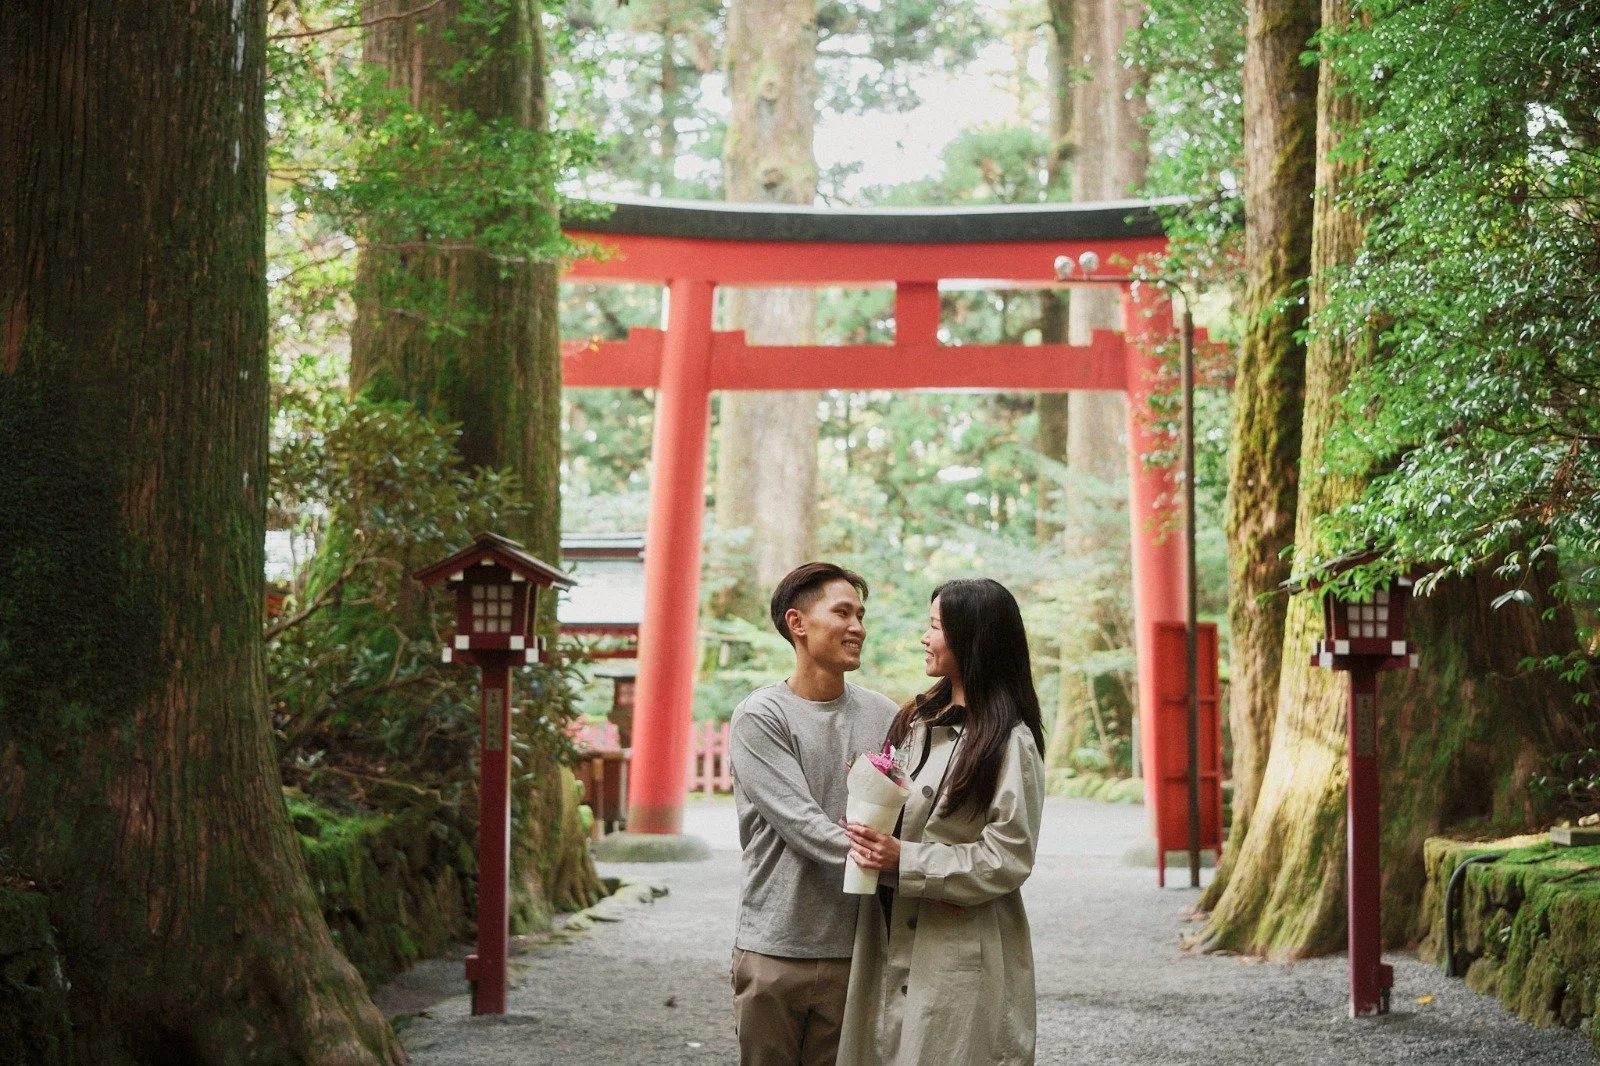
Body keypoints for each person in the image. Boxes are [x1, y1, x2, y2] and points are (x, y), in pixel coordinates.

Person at [838, 578, 1047, 1066]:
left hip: (958, 949)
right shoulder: (915, 721)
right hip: (889, 932)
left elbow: (1009, 856)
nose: (924, 638)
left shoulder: (1010, 741)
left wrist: (905, 859)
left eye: (935, 627)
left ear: (972, 639)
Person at [729, 562, 902, 1066]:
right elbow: (801, 824)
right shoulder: (762, 715)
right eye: (842, 612)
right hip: (776, 946)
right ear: (797, 624)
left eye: (861, 615)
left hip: (859, 948)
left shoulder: (884, 715)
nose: (858, 627)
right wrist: (898, 861)